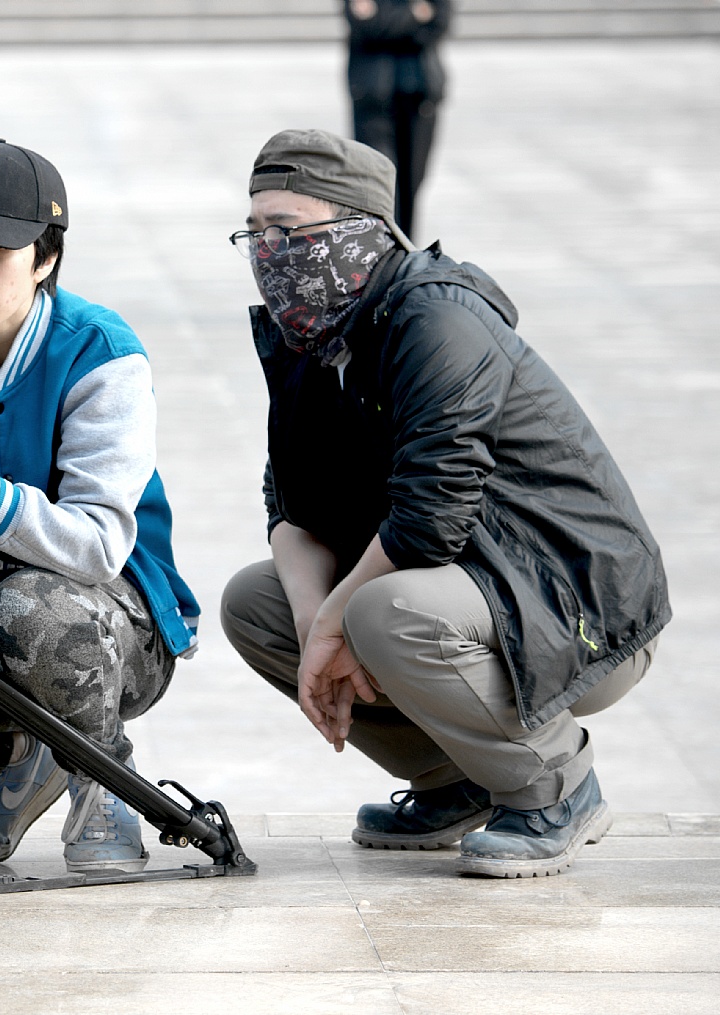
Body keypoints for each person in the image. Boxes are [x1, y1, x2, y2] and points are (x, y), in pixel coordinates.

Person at [220, 129, 669, 878]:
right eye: (254, 231)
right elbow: (289, 495)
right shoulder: (312, 333)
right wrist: (309, 625)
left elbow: (431, 515)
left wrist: (335, 621)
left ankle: (556, 786)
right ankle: (460, 780)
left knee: (381, 610)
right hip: (470, 588)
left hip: (576, 600)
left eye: (288, 230)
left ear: (360, 229)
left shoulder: (437, 317)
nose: (269, 251)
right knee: (255, 602)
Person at [0, 141, 200, 874]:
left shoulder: (98, 351)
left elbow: (97, 546)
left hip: (104, 621)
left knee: (30, 613)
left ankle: (101, 775)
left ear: (45, 259)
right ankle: (19, 761)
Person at [344, 0, 451, 239]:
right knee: (377, 181)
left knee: (413, 181)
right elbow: (366, 27)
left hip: (419, 94)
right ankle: (383, 247)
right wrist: (414, 15)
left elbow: (440, 22)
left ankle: (407, 248)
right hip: (373, 98)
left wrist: (382, 19)